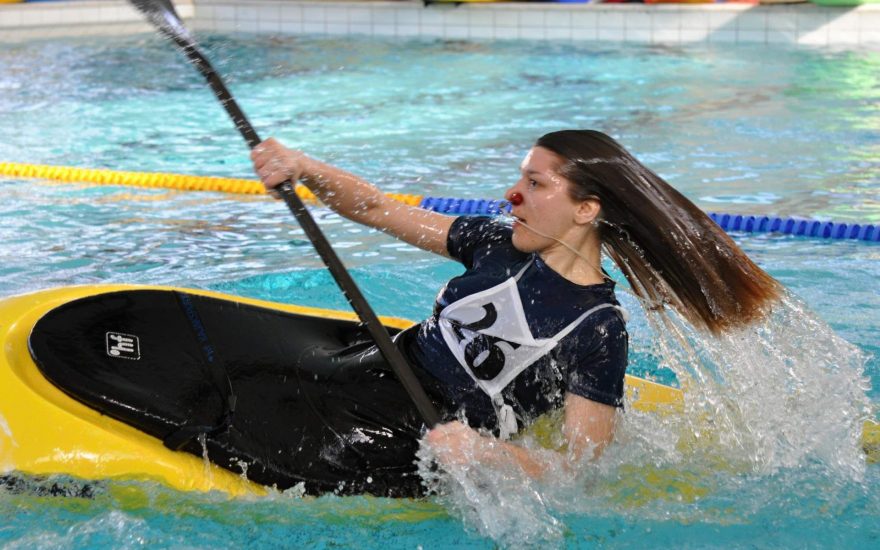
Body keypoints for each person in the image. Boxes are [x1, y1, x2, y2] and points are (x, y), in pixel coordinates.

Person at [250, 129, 781, 493]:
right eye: (520, 179)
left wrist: (486, 453)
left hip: (414, 436)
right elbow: (377, 208)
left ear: (585, 209)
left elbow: (579, 471)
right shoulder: (494, 242)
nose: (511, 194)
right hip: (372, 370)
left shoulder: (597, 329)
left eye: (535, 183)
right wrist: (303, 166)